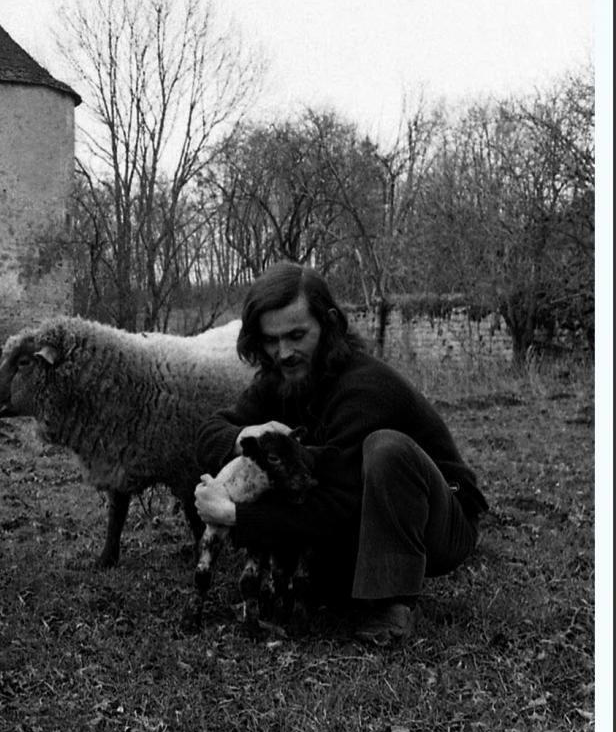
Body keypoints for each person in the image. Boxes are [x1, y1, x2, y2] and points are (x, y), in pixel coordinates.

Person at [193, 262, 488, 645]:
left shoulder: (365, 387)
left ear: (328, 323)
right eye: (270, 340)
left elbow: (335, 504)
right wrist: (246, 435)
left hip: (441, 518)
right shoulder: (282, 380)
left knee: (385, 449)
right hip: (359, 508)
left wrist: (234, 515)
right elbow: (208, 433)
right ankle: (339, 579)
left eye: (297, 335)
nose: (283, 353)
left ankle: (390, 603)